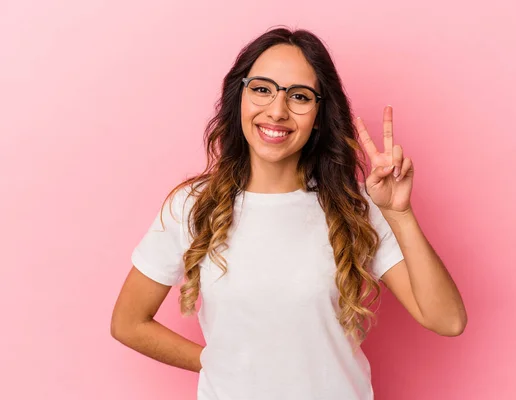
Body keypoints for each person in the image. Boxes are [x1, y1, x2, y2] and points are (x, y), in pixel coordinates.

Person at [111, 27, 467, 400]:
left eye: (299, 96)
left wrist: (400, 213)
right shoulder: (192, 206)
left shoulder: (354, 207)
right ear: (239, 97)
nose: (277, 111)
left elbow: (448, 320)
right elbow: (128, 322)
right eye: (262, 89)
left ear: (319, 113)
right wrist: (215, 362)